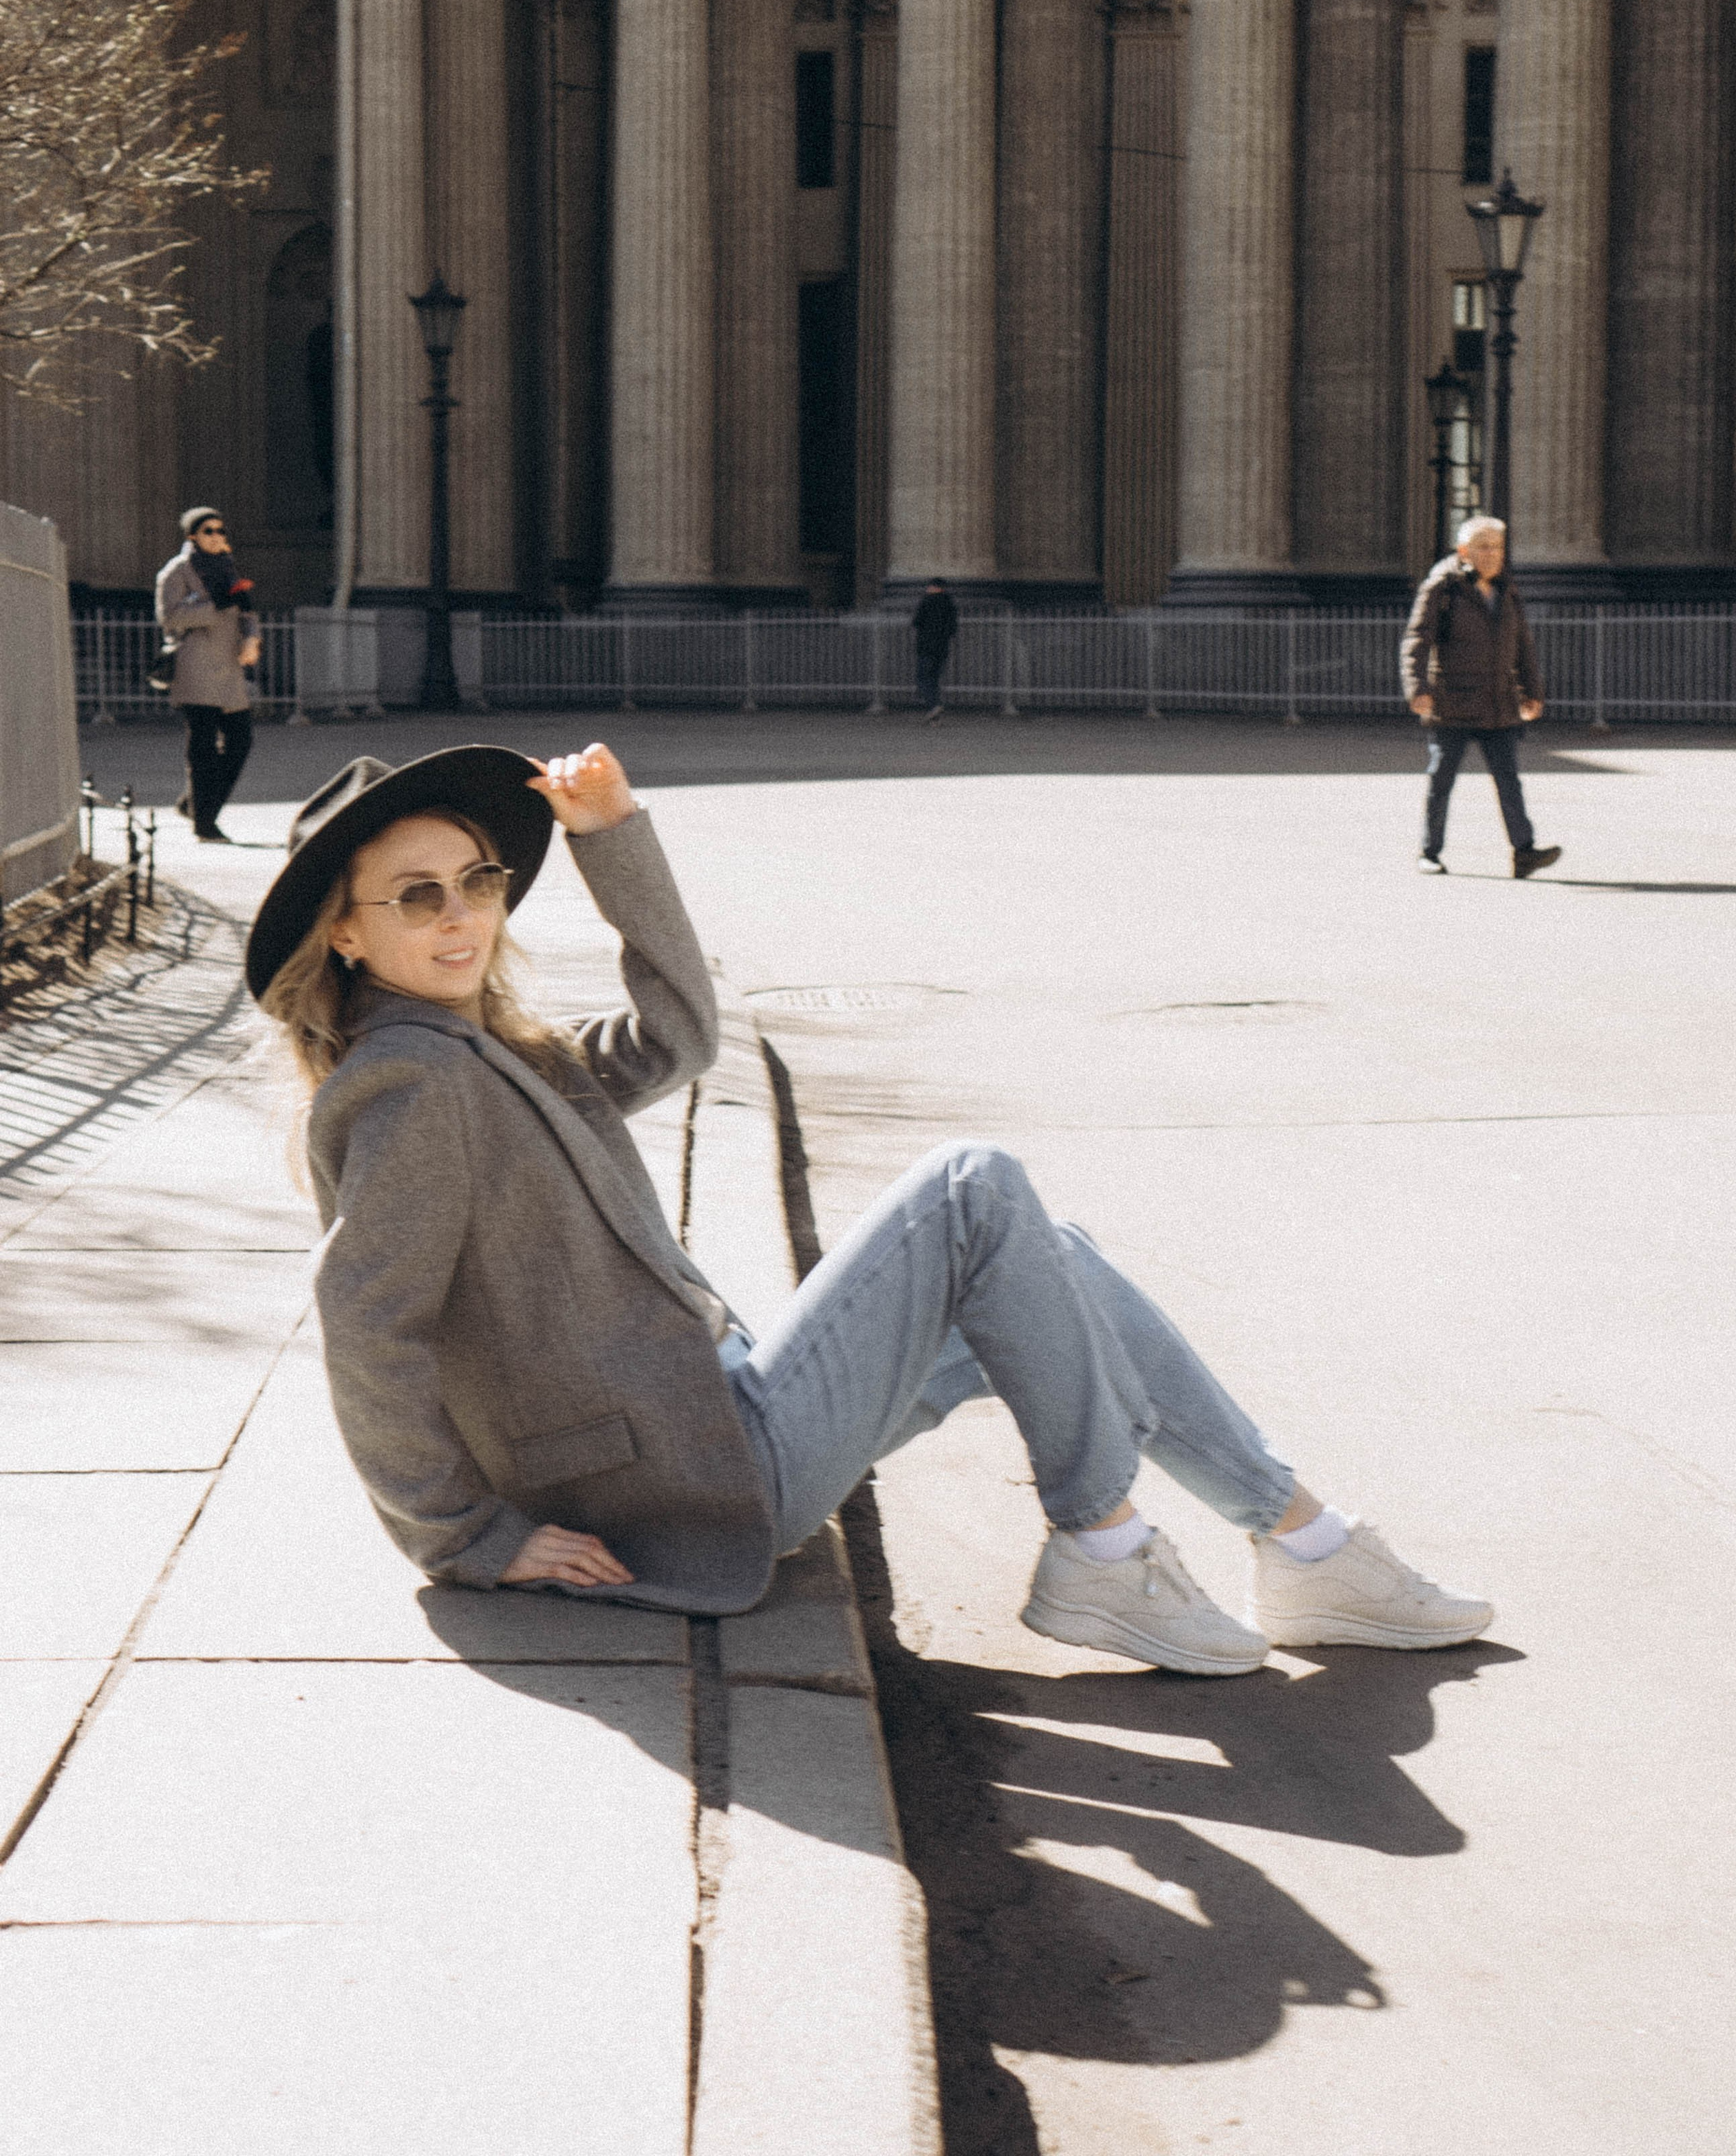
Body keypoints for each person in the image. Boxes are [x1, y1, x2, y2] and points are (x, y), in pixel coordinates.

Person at [248, 740, 1493, 1675]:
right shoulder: (411, 1083)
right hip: (693, 1475)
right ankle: (1104, 1548)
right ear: (346, 937)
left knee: (1050, 1257)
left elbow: (680, 1038)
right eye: (415, 897)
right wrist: (465, 1535)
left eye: (474, 880)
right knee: (971, 1187)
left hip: (716, 1420)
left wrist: (614, 837)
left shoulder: (494, 1052)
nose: (460, 914)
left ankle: (1308, 1546)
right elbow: (366, 1322)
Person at [1401, 513, 1561, 879]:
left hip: (1498, 703)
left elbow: (1522, 643)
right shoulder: (1442, 587)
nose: (1492, 554)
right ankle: (1429, 852)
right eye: (1484, 547)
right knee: (1441, 781)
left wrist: (1532, 692)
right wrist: (1417, 687)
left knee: (1509, 780)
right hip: (1453, 701)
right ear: (1464, 551)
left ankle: (1524, 852)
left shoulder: (1507, 589)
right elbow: (1417, 638)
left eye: (1498, 547)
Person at [155, 506, 260, 844]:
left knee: (241, 740)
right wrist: (213, 605)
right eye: (208, 531)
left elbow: (247, 611)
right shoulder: (177, 571)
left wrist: (252, 639)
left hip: (229, 667)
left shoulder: (228, 568)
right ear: (193, 536)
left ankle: (194, 804)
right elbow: (170, 617)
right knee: (203, 748)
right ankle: (205, 822)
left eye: (220, 530)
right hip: (195, 667)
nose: (217, 537)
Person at [911, 579, 958, 721]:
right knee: (934, 679)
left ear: (934, 587)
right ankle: (934, 716)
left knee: (923, 678)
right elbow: (953, 628)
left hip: (926, 647)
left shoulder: (926, 601)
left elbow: (916, 622)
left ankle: (934, 705)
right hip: (942, 647)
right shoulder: (949, 603)